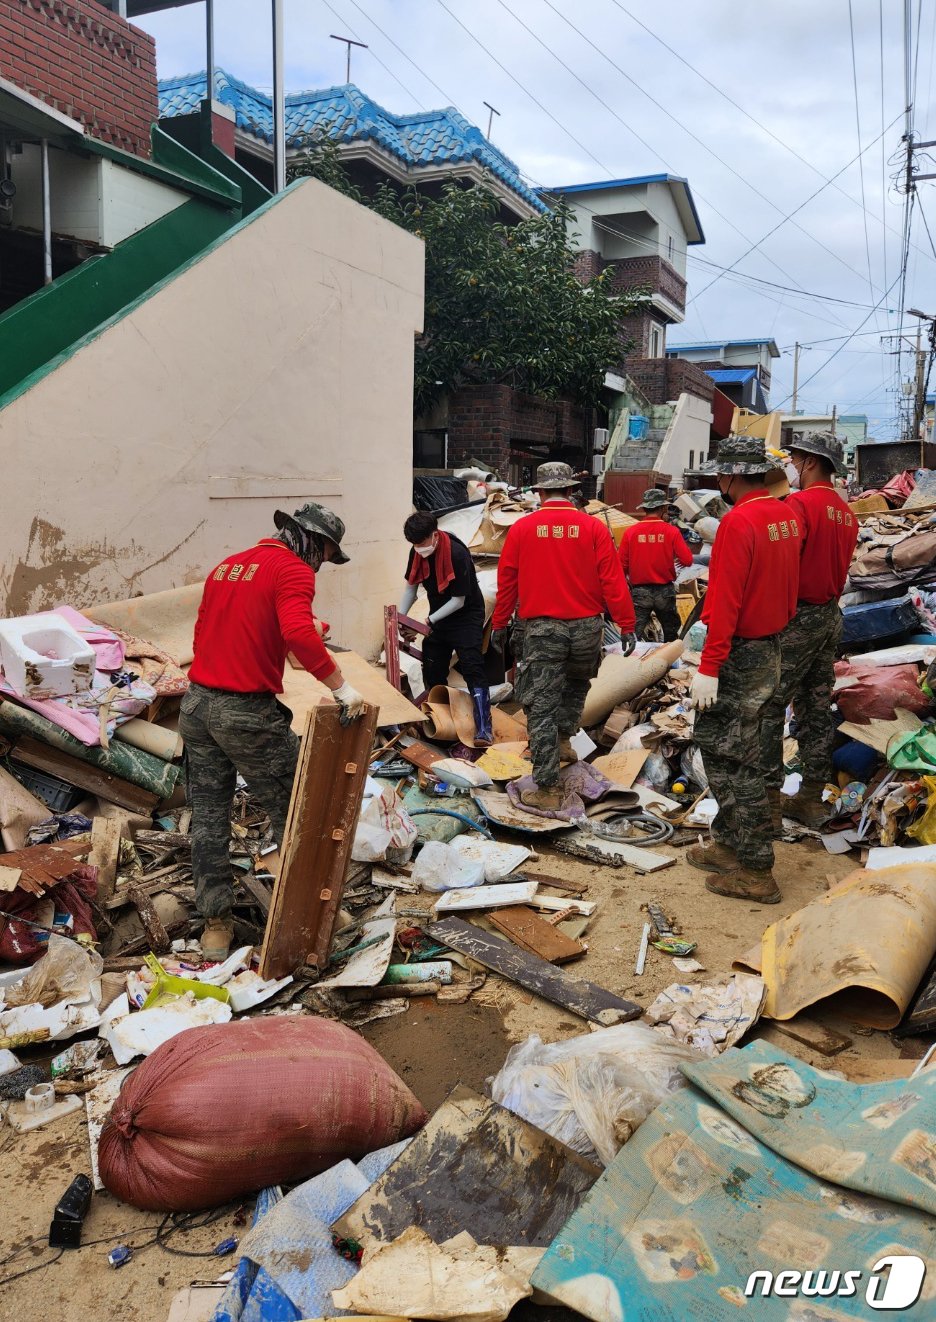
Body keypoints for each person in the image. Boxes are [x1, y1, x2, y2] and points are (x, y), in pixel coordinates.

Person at [179, 503, 365, 960]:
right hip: (245, 713)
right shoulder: (295, 570)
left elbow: (210, 632)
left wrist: (294, 630)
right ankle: (316, 914)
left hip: (197, 705)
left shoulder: (229, 566)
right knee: (299, 810)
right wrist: (341, 688)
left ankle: (216, 927)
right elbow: (299, 634)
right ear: (314, 542)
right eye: (324, 553)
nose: (320, 562)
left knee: (208, 817)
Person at [687, 435, 802, 904]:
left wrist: (710, 665)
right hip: (770, 646)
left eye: (720, 474)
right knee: (732, 749)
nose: (719, 480)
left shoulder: (738, 522)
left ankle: (755, 868)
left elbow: (728, 598)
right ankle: (730, 842)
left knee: (736, 758)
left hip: (739, 652)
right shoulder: (785, 516)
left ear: (732, 476)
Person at [490, 461, 636, 811]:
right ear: (570, 491)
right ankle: (564, 742)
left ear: (540, 492)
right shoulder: (593, 528)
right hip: (588, 628)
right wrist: (627, 623)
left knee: (541, 705)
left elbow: (507, 582)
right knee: (575, 686)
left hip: (542, 630)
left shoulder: (523, 529)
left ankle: (547, 787)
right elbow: (612, 580)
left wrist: (498, 623)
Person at [759, 430, 858, 828]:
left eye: (796, 460)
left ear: (811, 462)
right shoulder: (846, 513)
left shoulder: (798, 505)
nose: (792, 468)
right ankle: (812, 796)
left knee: (768, 705)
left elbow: (784, 560)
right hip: (830, 616)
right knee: (816, 706)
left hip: (797, 617)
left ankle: (765, 801)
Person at [398, 510, 492, 744]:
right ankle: (442, 721)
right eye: (414, 544)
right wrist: (401, 618)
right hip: (439, 613)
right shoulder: (417, 552)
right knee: (432, 665)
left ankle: (484, 728)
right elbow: (411, 588)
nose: (418, 547)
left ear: (435, 535)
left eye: (421, 542)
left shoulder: (457, 553)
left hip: (466, 615)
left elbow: (458, 601)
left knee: (472, 667)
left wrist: (427, 621)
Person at [618, 489, 693, 641]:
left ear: (645, 508)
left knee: (633, 636)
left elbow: (620, 566)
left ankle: (630, 662)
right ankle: (669, 662)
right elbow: (687, 560)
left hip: (640, 592)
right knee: (671, 635)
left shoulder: (631, 532)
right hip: (665, 592)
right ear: (663, 508)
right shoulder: (672, 532)